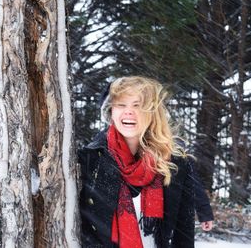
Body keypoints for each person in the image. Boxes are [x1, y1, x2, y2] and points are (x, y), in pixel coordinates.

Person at [78, 76, 214, 248]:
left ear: (152, 112)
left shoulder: (175, 162)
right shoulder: (90, 159)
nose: (129, 111)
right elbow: (82, 227)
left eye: (138, 105)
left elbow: (183, 231)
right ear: (111, 111)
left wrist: (204, 212)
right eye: (121, 105)